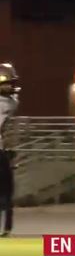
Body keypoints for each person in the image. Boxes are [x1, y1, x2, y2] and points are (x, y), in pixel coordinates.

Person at [0, 63, 20, 237]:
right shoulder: (9, 102)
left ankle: (7, 227)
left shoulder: (9, 102)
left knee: (7, 192)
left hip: (3, 151)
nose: (7, 87)